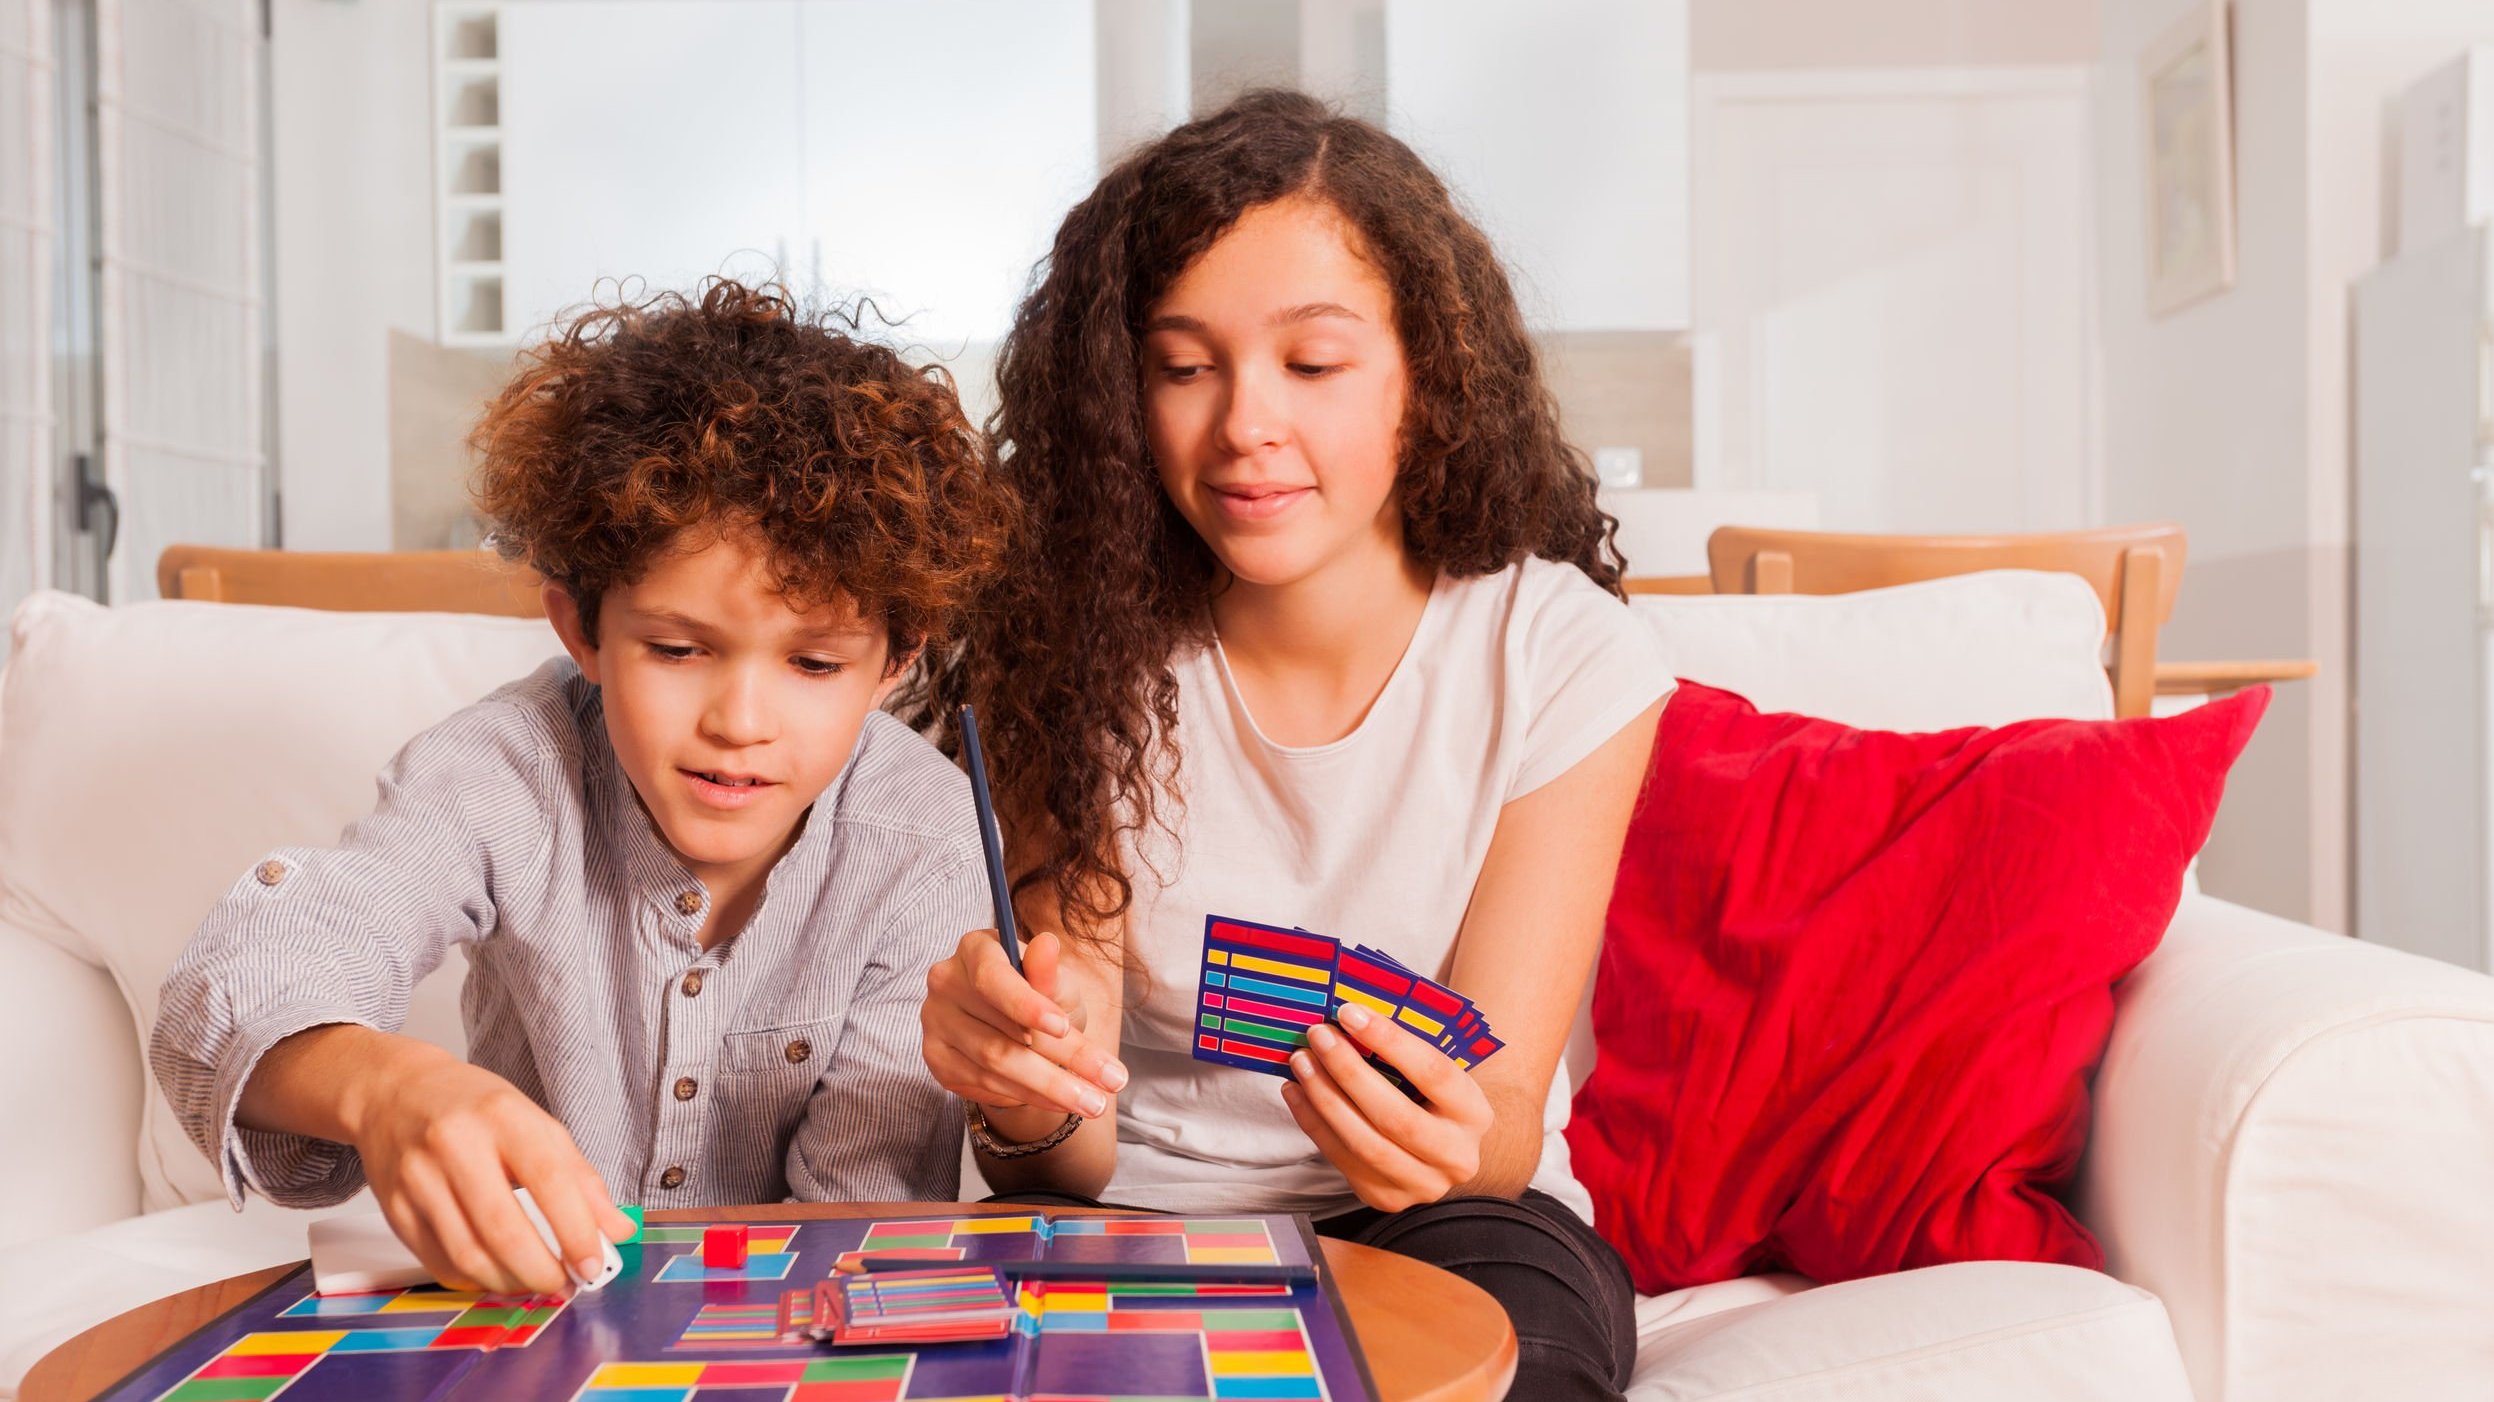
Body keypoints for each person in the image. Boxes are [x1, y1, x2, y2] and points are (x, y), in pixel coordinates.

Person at [908, 91, 1672, 1399]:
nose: (1244, 423)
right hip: (1138, 1218)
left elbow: (1492, 1135)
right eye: (1183, 366)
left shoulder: (1559, 655)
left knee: (1529, 1328)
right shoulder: (1069, 644)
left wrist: (1427, 1141)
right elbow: (1058, 1158)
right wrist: (1027, 1091)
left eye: (1311, 366)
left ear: (1426, 375)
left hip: (1445, 1223)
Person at [151, 279, 1015, 1298]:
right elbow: (239, 980)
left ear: (896, 662)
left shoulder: (923, 837)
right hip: (529, 1317)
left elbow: (859, 1228)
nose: (739, 721)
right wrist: (391, 1088)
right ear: (582, 630)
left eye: (815, 665)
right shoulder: (503, 770)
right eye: (679, 648)